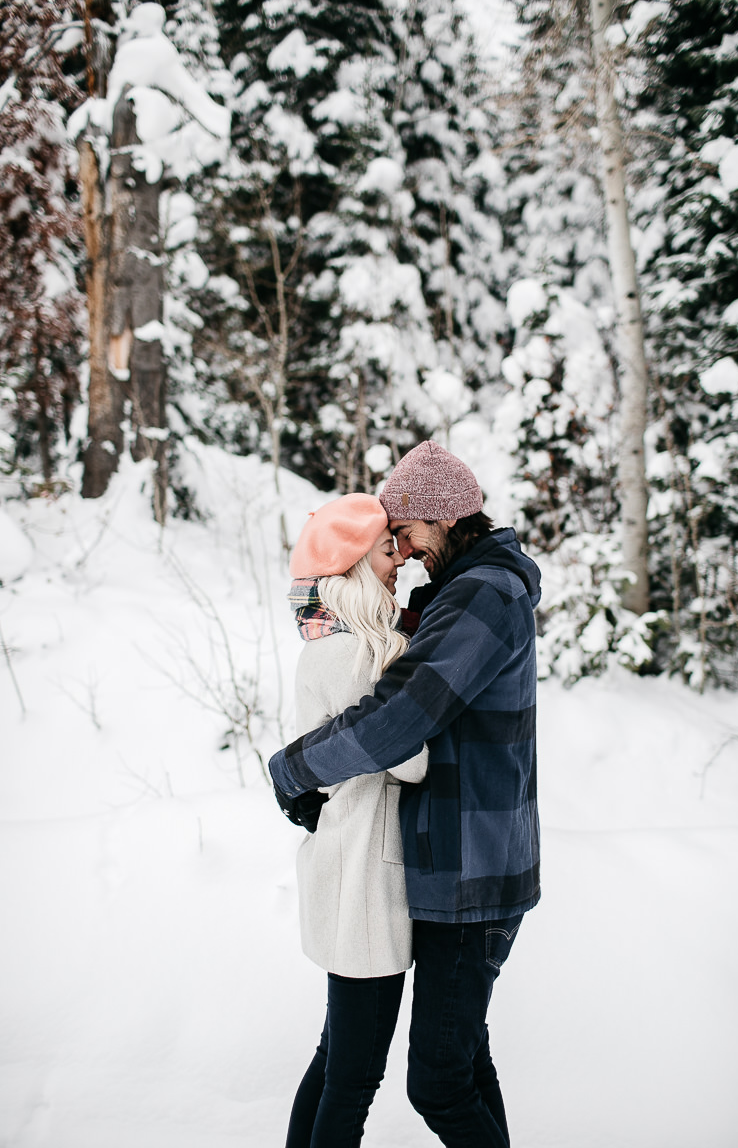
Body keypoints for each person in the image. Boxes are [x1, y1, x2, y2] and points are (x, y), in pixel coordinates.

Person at [270, 441, 542, 1148]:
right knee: (460, 1061)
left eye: (410, 531)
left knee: (440, 1078)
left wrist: (295, 767)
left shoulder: (485, 592)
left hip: (469, 869)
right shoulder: (461, 590)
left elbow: (401, 718)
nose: (409, 549)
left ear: (444, 519)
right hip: (454, 863)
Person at [281, 492, 429, 1148]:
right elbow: (413, 761)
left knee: (335, 1060)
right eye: (386, 547)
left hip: (350, 870)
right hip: (367, 884)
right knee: (354, 1075)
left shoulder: (334, 643)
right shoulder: (357, 654)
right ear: (351, 560)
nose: (399, 560)